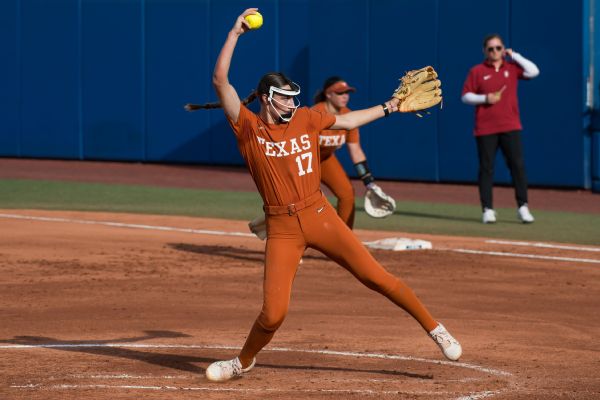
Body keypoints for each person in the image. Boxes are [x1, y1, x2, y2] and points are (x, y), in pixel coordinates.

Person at [202, 8, 461, 382]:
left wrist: (390, 107)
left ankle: (435, 328)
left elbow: (350, 120)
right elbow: (219, 79)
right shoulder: (248, 127)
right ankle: (242, 362)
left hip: (320, 215)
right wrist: (235, 33)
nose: (293, 104)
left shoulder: (307, 118)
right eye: (285, 98)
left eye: (294, 98)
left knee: (377, 278)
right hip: (283, 228)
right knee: (274, 313)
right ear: (265, 98)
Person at [462, 33, 539, 224]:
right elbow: (465, 96)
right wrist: (485, 98)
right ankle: (487, 209)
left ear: (503, 49)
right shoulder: (477, 71)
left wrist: (516, 55)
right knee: (486, 169)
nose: (495, 52)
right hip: (485, 128)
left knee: (517, 166)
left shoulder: (512, 68)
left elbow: (534, 71)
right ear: (485, 51)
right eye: (491, 49)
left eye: (498, 48)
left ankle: (523, 207)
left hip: (510, 125)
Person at [312, 77, 394, 228]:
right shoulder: (316, 113)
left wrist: (369, 182)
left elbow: (355, 150)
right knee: (307, 202)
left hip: (325, 160)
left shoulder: (348, 115)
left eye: (347, 92)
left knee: (347, 194)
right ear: (328, 94)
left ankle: (344, 239)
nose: (345, 96)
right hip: (304, 161)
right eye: (340, 93)